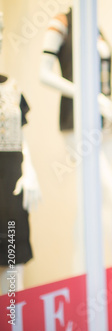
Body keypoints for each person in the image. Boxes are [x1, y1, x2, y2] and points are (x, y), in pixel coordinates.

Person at [39, 8, 112, 271]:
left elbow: (106, 75)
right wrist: (88, 96)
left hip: (106, 124)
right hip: (78, 122)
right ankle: (109, 274)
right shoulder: (62, 23)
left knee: (91, 204)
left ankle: (83, 276)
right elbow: (44, 73)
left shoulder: (94, 25)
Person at [0, 12, 41, 294]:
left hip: (13, 183)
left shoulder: (12, 87)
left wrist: (31, 170)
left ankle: (14, 322)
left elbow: (20, 136)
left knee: (14, 268)